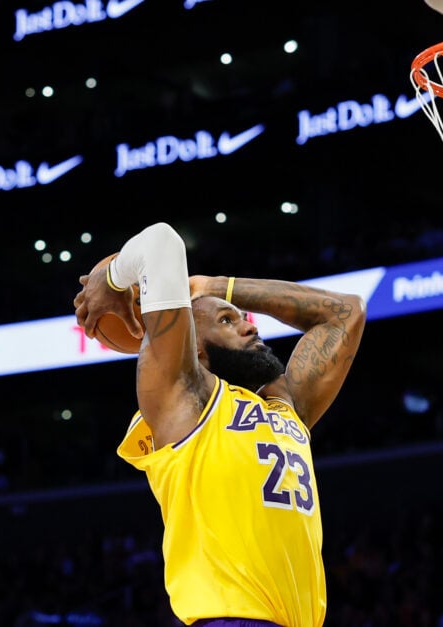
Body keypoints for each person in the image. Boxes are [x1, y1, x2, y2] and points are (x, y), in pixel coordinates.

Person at [73, 222, 366, 627]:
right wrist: (113, 277)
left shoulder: (284, 406)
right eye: (228, 321)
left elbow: (346, 313)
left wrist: (215, 286)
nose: (251, 325)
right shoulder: (182, 397)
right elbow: (160, 241)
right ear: (191, 344)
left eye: (241, 318)